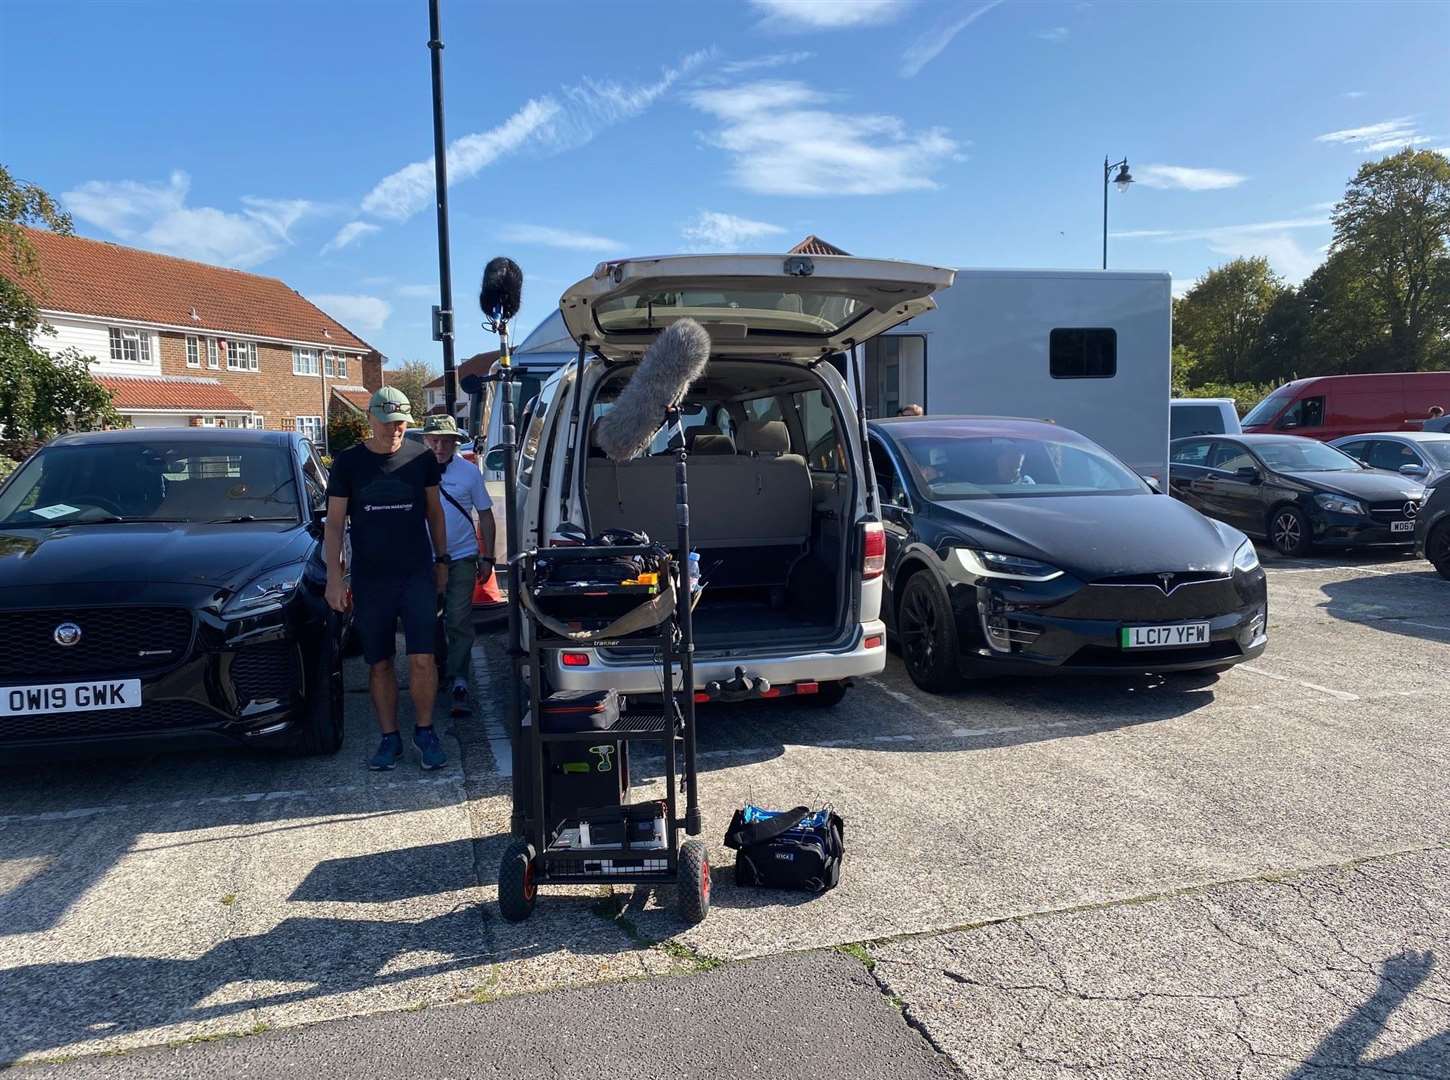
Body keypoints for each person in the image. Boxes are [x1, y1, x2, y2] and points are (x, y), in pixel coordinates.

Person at [324, 387, 452, 771]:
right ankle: (389, 738)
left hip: (416, 574)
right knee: (379, 663)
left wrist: (442, 560)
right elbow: (334, 524)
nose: (396, 430)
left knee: (423, 658)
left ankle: (425, 731)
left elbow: (435, 513)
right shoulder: (348, 463)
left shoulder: (421, 458)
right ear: (371, 419)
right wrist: (335, 577)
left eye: (402, 424)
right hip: (371, 579)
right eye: (389, 422)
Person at [421, 414, 496, 717]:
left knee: (458, 619)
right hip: (423, 560)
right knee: (427, 621)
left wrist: (487, 557)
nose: (439, 446)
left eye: (445, 441)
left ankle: (459, 680)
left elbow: (486, 515)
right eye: (434, 440)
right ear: (426, 441)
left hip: (462, 557)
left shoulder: (469, 473)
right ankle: (437, 671)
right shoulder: (414, 471)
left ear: (455, 442)